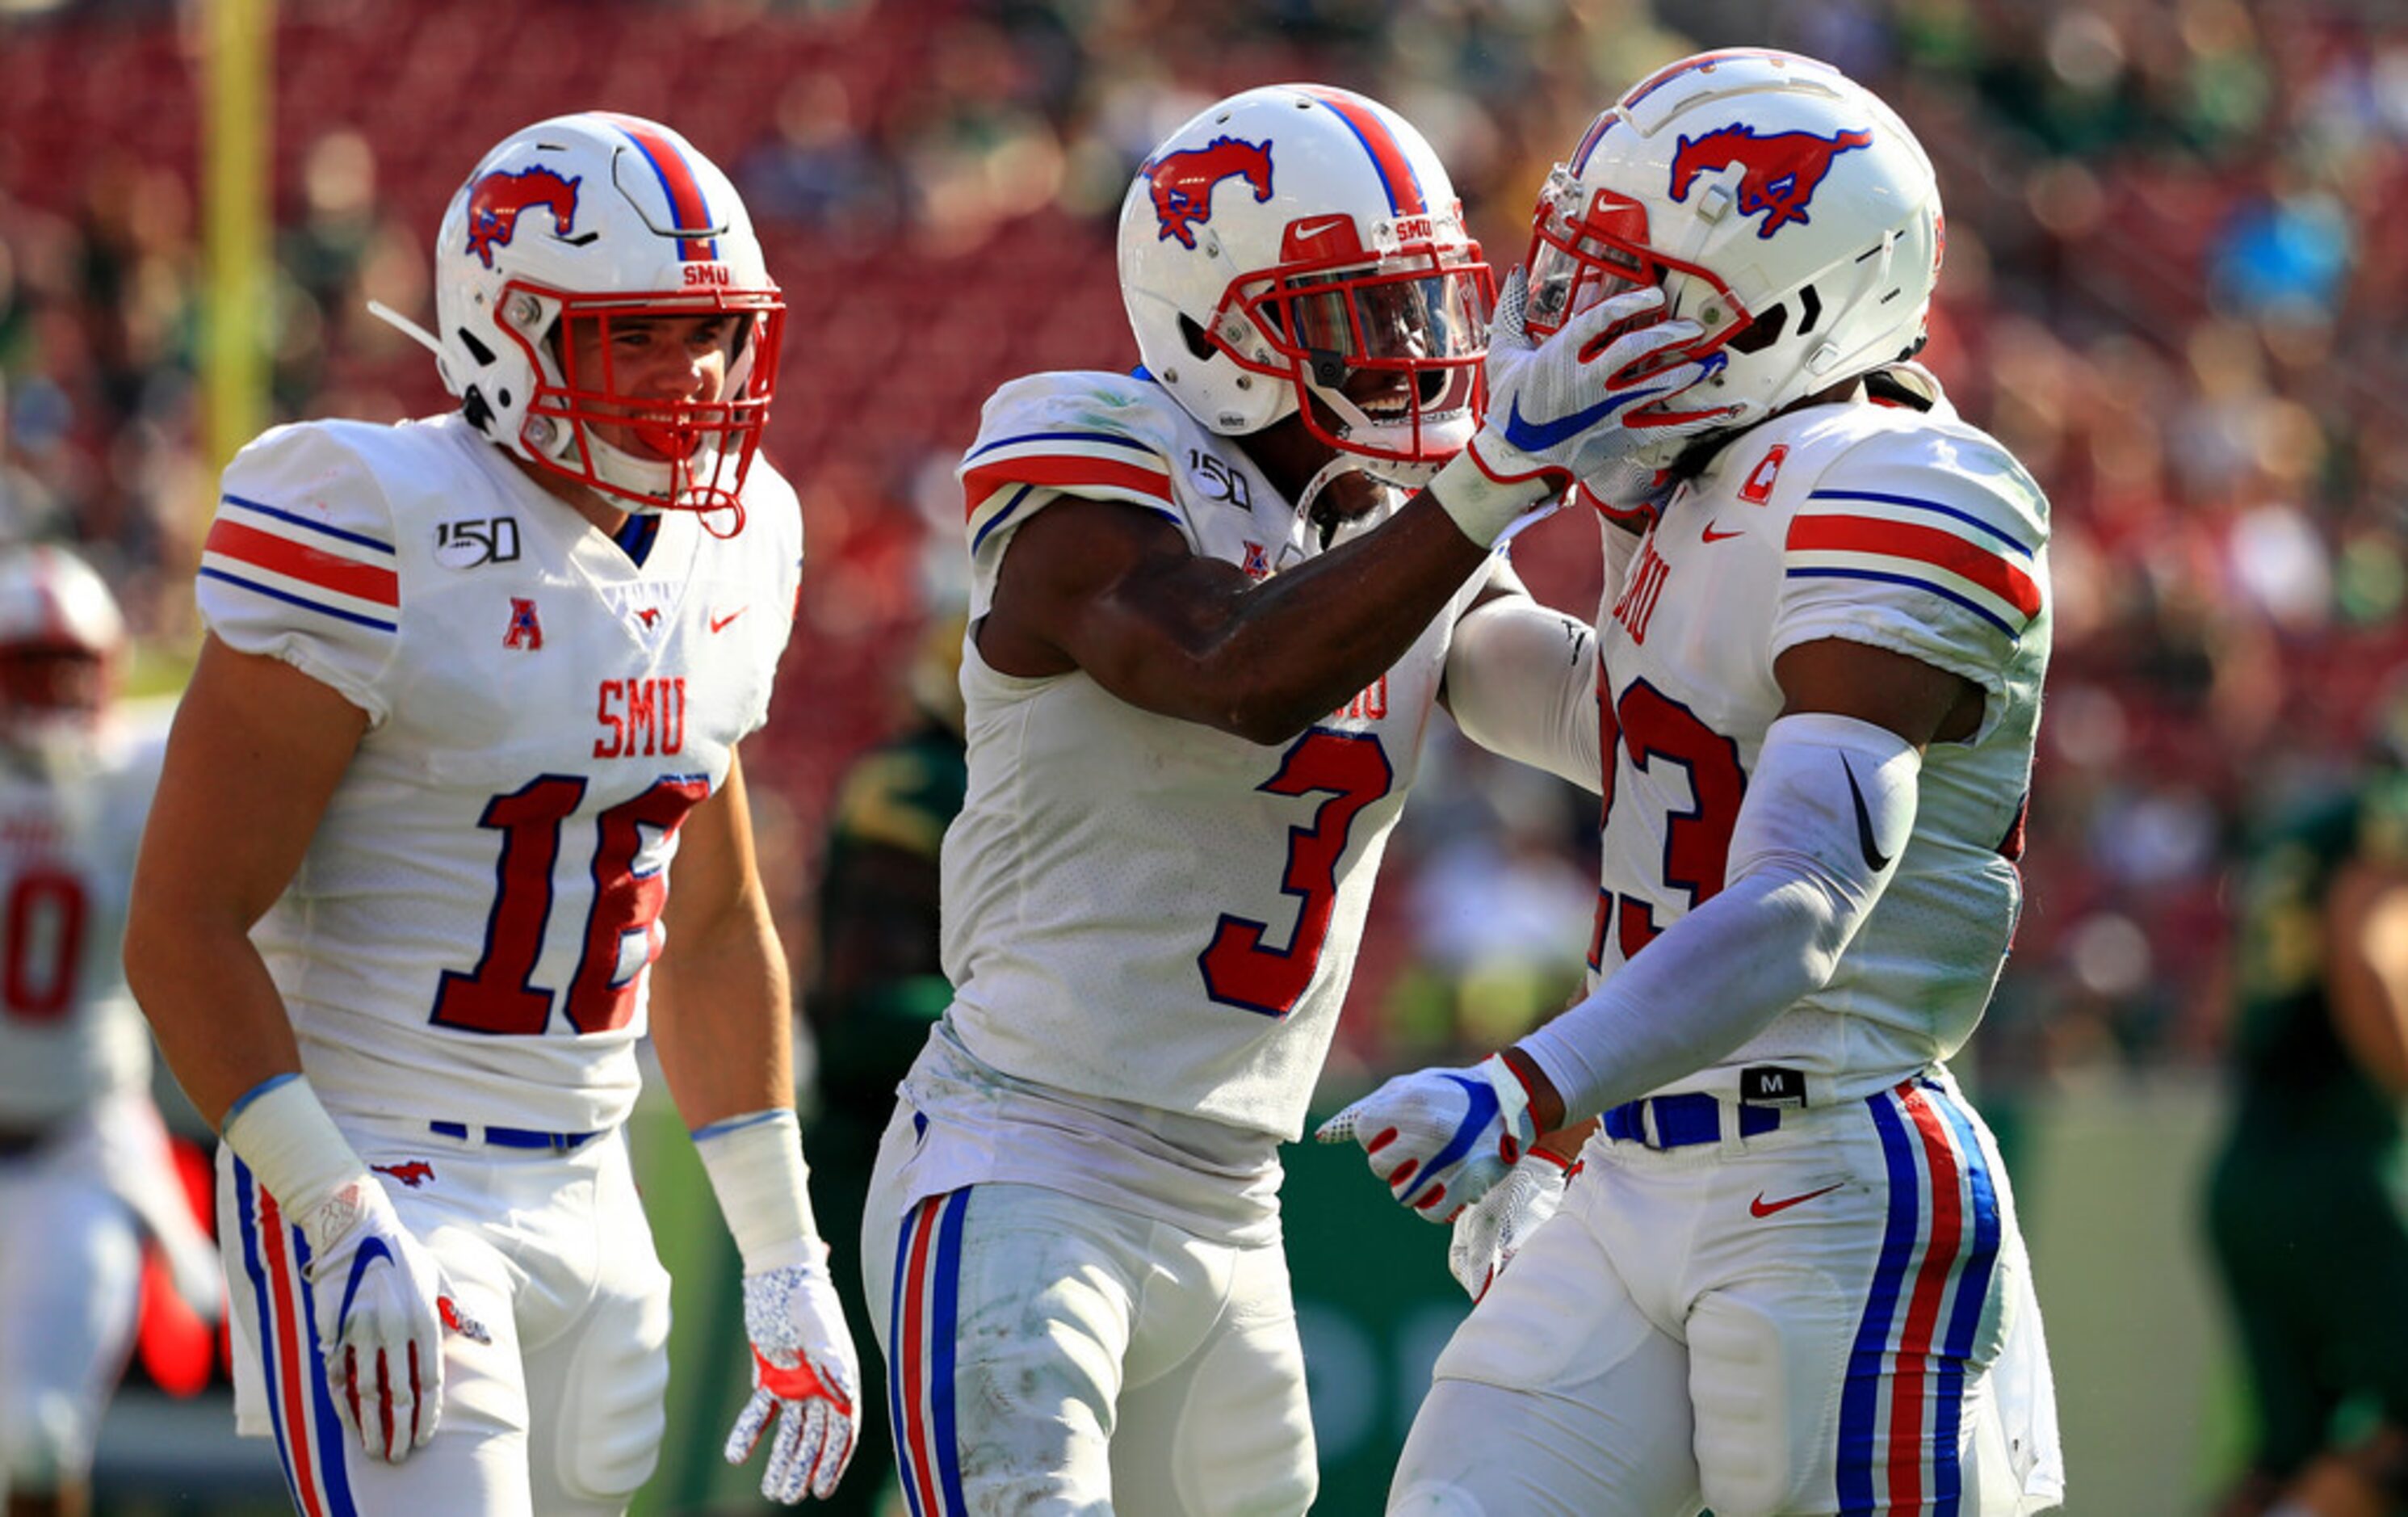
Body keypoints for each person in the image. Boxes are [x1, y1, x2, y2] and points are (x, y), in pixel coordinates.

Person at [858, 82, 1726, 1515]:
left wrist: (1710, 545)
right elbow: (1233, 666)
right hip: (1024, 1160)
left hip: (1236, 1194)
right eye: (1358, 313)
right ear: (1215, 329)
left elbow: (1601, 720)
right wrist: (1493, 480)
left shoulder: (1402, 518)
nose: (1412, 351)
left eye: (1421, 304)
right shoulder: (1092, 455)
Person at [1319, 48, 2067, 1514]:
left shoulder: (1900, 484)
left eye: (1629, 287)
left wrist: (1526, 1087)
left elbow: (1796, 904)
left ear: (1788, 311)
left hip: (1828, 1180)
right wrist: (1448, 504)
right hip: (1642, 1168)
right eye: (1574, 269)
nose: (1573, 319)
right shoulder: (1704, 485)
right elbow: (1580, 703)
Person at [122, 112, 860, 1514]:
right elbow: (181, 925)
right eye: (631, 335)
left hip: (596, 1183)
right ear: (504, 336)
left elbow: (709, 926)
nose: (688, 377)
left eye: (708, 332)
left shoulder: (741, 533)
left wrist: (783, 1249)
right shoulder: (370, 515)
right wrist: (334, 1209)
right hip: (375, 1152)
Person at [0, 544, 222, 1517]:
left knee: (38, 1442)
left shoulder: (139, 768)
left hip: (77, 1143)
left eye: (73, 667)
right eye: (30, 667)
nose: (54, 693)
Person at [2204, 686, 2408, 1517]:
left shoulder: (2301, 831)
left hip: (2248, 1164)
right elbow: (2364, 951)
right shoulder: (2376, 830)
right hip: (2338, 1171)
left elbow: (2224, 1005)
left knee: (2288, 1454)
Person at [803, 605, 969, 1517]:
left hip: (939, 1130)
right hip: (872, 1125)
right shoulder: (917, 780)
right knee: (855, 1413)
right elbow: (870, 1013)